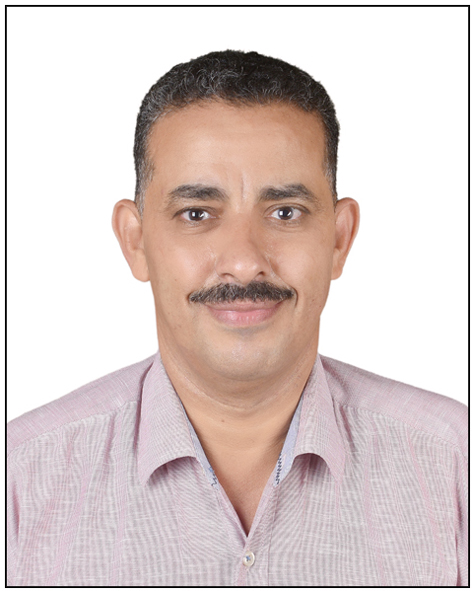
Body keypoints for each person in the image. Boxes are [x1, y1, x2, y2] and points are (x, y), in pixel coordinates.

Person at [7, 50, 467, 587]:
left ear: (339, 240)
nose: (245, 261)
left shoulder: (455, 465)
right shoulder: (20, 480)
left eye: (285, 212)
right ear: (136, 242)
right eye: (197, 214)